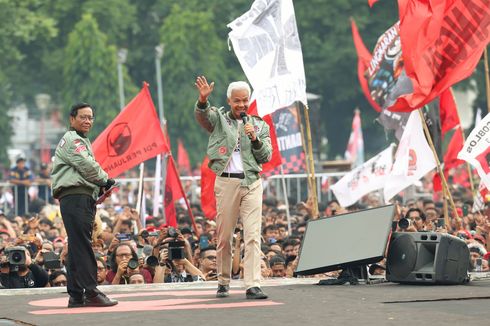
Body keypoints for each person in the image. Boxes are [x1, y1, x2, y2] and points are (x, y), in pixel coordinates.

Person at [194, 76, 272, 299]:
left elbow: (266, 155)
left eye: (245, 100)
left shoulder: (259, 124)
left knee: (253, 235)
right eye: (237, 101)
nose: (241, 105)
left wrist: (255, 139)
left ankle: (252, 284)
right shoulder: (219, 119)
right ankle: (223, 280)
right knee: (225, 235)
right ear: (229, 101)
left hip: (252, 182)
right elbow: (204, 117)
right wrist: (202, 100)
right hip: (227, 182)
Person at [51, 102, 117, 308]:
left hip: (78, 197)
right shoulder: (73, 139)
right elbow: (87, 165)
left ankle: (76, 294)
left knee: (77, 245)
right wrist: (105, 180)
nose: (88, 121)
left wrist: (98, 190)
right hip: (75, 197)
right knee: (82, 245)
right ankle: (91, 291)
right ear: (72, 119)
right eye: (83, 117)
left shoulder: (79, 139)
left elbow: (82, 171)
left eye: (90, 117)